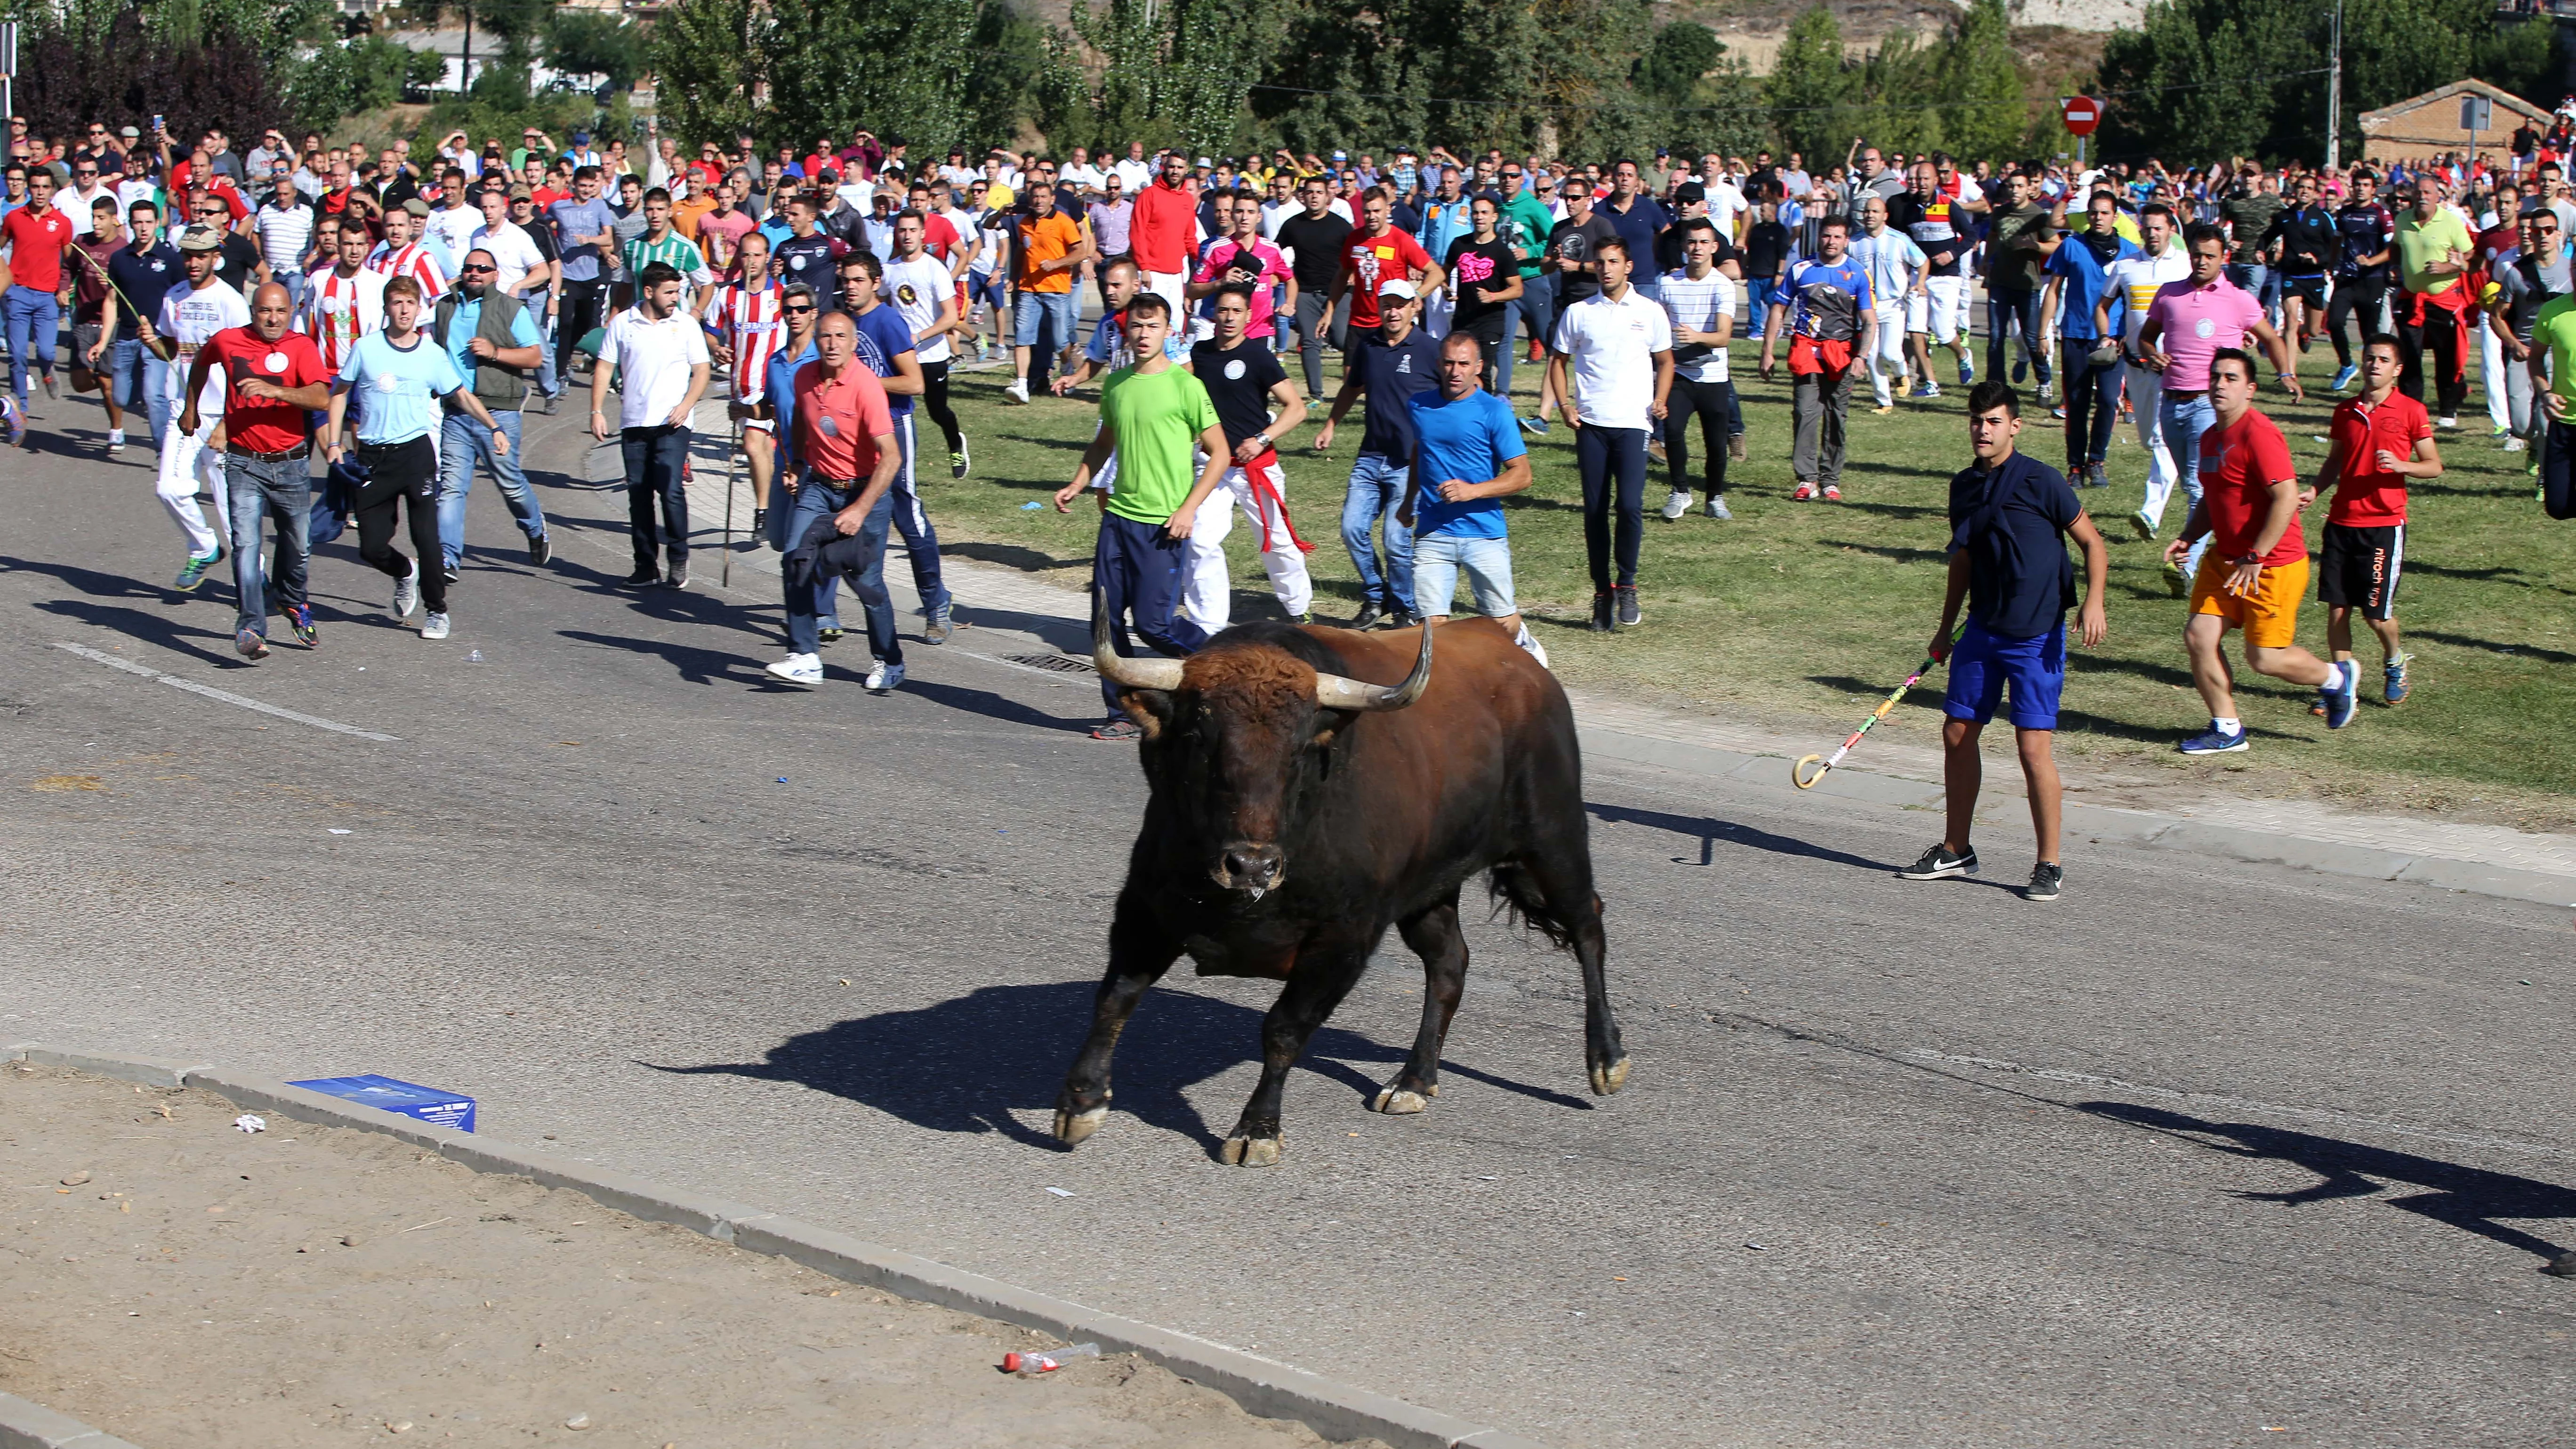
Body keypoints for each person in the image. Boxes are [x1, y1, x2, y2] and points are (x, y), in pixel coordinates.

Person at [1900, 379, 2109, 902]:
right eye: (1976, 421)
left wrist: (2095, 601)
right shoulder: (1963, 487)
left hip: (2036, 635)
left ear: (2015, 425)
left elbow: (2093, 544)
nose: (1983, 430)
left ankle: (2049, 863)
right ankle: (1956, 849)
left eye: (1993, 421)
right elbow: (1963, 561)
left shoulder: (2043, 481)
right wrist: (1945, 628)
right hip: (1982, 629)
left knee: (2032, 747)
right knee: (1956, 733)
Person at [2162, 349, 2362, 753]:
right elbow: (2214, 498)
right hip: (2227, 561)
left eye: (2232, 378)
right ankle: (2227, 728)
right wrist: (2189, 535)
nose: (2220, 384)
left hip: (2273, 564)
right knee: (2199, 636)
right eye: (2216, 376)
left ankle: (2337, 679)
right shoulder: (2211, 437)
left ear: (2250, 390)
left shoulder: (2259, 433)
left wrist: (2256, 556)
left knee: (2266, 659)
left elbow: (2285, 498)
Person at [1052, 291, 1230, 741]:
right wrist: (1079, 481)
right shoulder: (1117, 384)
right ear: (1125, 330)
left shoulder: (1186, 387)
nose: (1144, 334)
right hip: (1117, 518)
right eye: (1137, 326)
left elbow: (1221, 453)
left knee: (1156, 626)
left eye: (1153, 326)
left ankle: (1228, 666)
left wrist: (1189, 508)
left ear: (1169, 332)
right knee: (1104, 626)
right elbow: (1105, 442)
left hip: (1163, 526)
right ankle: (1123, 713)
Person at [325, 274, 513, 642]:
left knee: (427, 537)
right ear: (386, 308)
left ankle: (437, 611)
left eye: (410, 303)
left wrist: (494, 427)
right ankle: (403, 572)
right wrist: (334, 442)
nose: (404, 310)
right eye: (397, 303)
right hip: (374, 459)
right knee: (371, 546)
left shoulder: (432, 354)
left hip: (415, 455)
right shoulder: (366, 349)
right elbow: (339, 394)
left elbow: (460, 395)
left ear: (419, 309)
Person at [2133, 220, 2303, 591]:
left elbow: (2271, 338)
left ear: (2223, 258)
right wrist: (2153, 356)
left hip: (2209, 406)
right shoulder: (2169, 294)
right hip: (2171, 402)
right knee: (2199, 486)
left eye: (2209, 256)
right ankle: (2201, 552)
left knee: (2198, 486)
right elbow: (2146, 338)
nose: (2201, 262)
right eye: (2196, 255)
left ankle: (2186, 566)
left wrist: (2286, 372)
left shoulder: (2238, 299)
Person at [763, 308, 908, 692]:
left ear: (854, 343)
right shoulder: (805, 378)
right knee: (795, 559)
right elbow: (799, 424)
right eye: (826, 336)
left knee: (866, 582)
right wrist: (795, 462)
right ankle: (805, 656)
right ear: (816, 340)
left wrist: (860, 509)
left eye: (841, 336)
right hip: (820, 485)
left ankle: (889, 661)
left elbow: (892, 456)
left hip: (866, 491)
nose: (832, 344)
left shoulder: (866, 386)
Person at [184, 281, 330, 657]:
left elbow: (320, 397)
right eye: (266, 311)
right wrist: (191, 408)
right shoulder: (228, 340)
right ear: (254, 311)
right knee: (246, 545)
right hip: (243, 462)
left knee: (297, 546)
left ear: (290, 313)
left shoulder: (301, 346)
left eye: (281, 311)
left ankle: (294, 602)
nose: (274, 319)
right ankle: (251, 627)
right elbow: (201, 364)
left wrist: (275, 391)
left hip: (292, 464)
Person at [1549, 238, 1673, 630]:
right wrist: (1565, 405)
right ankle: (1602, 591)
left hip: (1634, 422)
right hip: (1592, 424)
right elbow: (1558, 361)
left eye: (1613, 262)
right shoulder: (1578, 312)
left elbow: (1666, 361)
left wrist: (1661, 399)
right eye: (1600, 263)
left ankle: (1628, 584)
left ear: (1628, 266)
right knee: (1595, 510)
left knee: (1632, 506)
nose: (1606, 269)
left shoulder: (1650, 312)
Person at [2312, 334, 2437, 708]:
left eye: (2383, 360)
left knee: (2376, 616)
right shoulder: (2346, 410)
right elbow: (2335, 460)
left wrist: (2403, 466)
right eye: (2369, 358)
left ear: (2397, 370)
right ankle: (2340, 684)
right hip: (2341, 522)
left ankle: (2394, 661)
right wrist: (2313, 492)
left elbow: (2434, 465)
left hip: (2384, 525)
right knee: (2337, 609)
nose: (2374, 365)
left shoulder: (2412, 411)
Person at [1407, 330, 1546, 664]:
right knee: (1431, 626)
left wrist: (1472, 491)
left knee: (1501, 623)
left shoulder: (1493, 412)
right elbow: (1420, 452)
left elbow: (1522, 475)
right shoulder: (1419, 406)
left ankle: (1523, 639)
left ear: (1478, 367)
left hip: (1484, 532)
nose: (1456, 371)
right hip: (1434, 531)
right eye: (1450, 363)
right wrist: (1405, 501)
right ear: (1440, 364)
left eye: (1464, 364)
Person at [835, 251, 951, 642]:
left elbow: (914, 383)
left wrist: (864, 386)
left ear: (875, 282)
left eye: (857, 280)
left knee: (908, 516)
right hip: (854, 430)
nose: (850, 287)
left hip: (894, 426)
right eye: (846, 280)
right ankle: (827, 610)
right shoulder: (843, 322)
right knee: (853, 513)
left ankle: (936, 604)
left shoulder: (888, 322)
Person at [1184, 281, 1314, 629]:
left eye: (1236, 311)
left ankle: (1299, 611)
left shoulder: (1258, 355)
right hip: (1215, 466)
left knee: (1278, 545)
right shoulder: (1200, 354)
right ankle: (1208, 625)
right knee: (1199, 540)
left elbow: (1297, 409)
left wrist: (1262, 438)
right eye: (1223, 310)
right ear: (1213, 314)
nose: (1228, 317)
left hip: (1257, 466)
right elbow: (1175, 389)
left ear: (1249, 315)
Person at [1318, 277, 1441, 629]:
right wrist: (1330, 424)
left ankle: (1405, 606)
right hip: (1371, 456)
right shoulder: (1369, 347)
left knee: (1395, 539)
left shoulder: (1430, 349)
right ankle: (1376, 596)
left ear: (1414, 307)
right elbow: (1352, 388)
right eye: (1386, 304)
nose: (1393, 311)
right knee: (1351, 529)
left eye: (1400, 304)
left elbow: (1460, 391)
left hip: (1409, 464)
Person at [430, 245, 550, 578]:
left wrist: (495, 352)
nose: (475, 273)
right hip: (457, 411)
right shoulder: (445, 308)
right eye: (470, 267)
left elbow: (535, 357)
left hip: (500, 411)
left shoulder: (510, 309)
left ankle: (534, 527)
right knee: (452, 487)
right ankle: (448, 558)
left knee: (509, 483)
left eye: (483, 268)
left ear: (495, 275)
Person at [590, 260, 712, 588]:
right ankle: (645, 565)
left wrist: (686, 406)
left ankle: (678, 556)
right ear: (648, 292)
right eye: (669, 292)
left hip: (674, 423)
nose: (676, 298)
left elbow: (702, 371)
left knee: (671, 489)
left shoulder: (686, 325)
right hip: (634, 423)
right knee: (639, 494)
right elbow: (604, 367)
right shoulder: (622, 323)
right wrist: (597, 410)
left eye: (679, 291)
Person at [145, 224, 250, 591]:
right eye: (188, 255)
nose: (193, 262)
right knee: (168, 488)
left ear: (215, 259)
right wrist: (152, 343)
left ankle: (258, 580)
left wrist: (229, 422)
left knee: (232, 512)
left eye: (201, 256)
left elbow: (245, 364)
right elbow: (172, 353)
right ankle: (204, 548)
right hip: (185, 410)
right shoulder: (173, 297)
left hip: (225, 416)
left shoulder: (231, 302)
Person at [1761, 215, 1872, 503]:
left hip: (1843, 354)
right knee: (1805, 412)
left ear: (1846, 240)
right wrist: (1768, 351)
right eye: (1826, 236)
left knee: (1837, 416)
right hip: (1806, 351)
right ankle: (1807, 480)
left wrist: (1862, 356)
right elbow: (1778, 310)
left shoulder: (1858, 274)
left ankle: (1831, 480)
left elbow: (1870, 321)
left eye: (1837, 237)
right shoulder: (1801, 270)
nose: (1831, 242)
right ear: (1819, 237)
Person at [2096, 203, 2190, 517]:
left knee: (2162, 439)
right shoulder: (2125, 267)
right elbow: (2102, 306)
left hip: (2172, 367)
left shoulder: (2186, 266)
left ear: (2171, 231)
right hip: (2136, 366)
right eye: (2147, 228)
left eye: (2159, 228)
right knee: (2150, 440)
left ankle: (2151, 512)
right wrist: (2107, 335)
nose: (2152, 234)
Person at [2042, 191, 2138, 487]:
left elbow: (2135, 297)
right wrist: (2043, 331)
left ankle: (2097, 461)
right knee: (2078, 404)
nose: (2098, 218)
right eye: (2094, 212)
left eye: (2105, 213)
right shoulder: (2071, 246)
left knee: (2109, 401)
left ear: (2115, 216)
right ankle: (2075, 467)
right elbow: (2054, 290)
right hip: (2075, 334)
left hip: (2112, 340)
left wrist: (2131, 336)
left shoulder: (2130, 251)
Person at [1656, 215, 1738, 522]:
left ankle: (1715, 498)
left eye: (1704, 242)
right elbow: (1659, 328)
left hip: (1714, 377)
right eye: (1692, 242)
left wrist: (1697, 337)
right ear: (1683, 246)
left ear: (1715, 247)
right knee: (1673, 432)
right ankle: (1679, 491)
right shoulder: (1667, 283)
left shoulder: (1723, 285)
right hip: (1679, 374)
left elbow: (1724, 336)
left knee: (1716, 444)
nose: (1697, 248)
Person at [881, 209, 969, 478]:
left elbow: (951, 317)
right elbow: (884, 305)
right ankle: (890, 463)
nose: (907, 236)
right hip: (900, 355)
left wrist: (919, 337)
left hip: (932, 355)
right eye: (902, 230)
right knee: (889, 412)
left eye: (912, 231)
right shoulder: (889, 270)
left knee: (937, 411)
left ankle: (956, 444)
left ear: (922, 234)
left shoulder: (935, 268)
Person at [2392, 174, 2475, 427]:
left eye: (2428, 192)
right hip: (2411, 298)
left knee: (2446, 357)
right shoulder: (2402, 220)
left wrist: (2446, 267)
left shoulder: (2451, 222)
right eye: (2419, 192)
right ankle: (2410, 409)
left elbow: (2469, 256)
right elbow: (2397, 245)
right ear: (2412, 195)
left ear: (2438, 196)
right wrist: (2396, 266)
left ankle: (2448, 411)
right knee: (2409, 355)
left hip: (2443, 300)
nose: (2423, 197)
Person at [1891, 161, 1975, 396]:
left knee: (1944, 333)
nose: (1921, 183)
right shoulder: (1909, 209)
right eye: (1918, 179)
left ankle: (1963, 354)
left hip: (1947, 277)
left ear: (1936, 180)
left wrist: (1951, 254)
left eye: (1926, 179)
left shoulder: (1948, 204)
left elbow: (1971, 236)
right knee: (1916, 331)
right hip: (1920, 277)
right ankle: (1931, 384)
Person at [1003, 181, 1091, 404]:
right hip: (1028, 289)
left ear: (1052, 199)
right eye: (1035, 197)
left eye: (1044, 196)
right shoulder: (1024, 223)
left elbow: (1080, 252)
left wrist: (1057, 263)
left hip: (1057, 289)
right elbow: (1021, 254)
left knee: (1060, 341)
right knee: (1023, 337)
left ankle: (1067, 369)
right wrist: (1013, 278)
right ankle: (1021, 385)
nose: (1039, 201)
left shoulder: (1063, 222)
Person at [1982, 171, 2062, 404]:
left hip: (2028, 285)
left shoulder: (2038, 216)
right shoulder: (2000, 212)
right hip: (2000, 282)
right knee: (1996, 337)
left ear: (2029, 189)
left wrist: (2032, 244)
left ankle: (2044, 381)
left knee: (2032, 337)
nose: (2015, 190)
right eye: (2011, 186)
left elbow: (2056, 246)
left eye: (2020, 186)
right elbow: (1993, 236)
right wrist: (1986, 261)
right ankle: (1995, 388)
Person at [0, 165, 72, 413]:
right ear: (29, 188)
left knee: (45, 351)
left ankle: (47, 371)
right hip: (18, 293)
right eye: (35, 187)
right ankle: (20, 409)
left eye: (45, 187)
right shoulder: (14, 218)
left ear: (52, 189)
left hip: (47, 297)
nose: (40, 192)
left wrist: (64, 289)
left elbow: (69, 263)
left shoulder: (62, 223)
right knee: (18, 354)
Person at [1275, 175, 1353, 401]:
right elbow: (1274, 251)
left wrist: (1354, 276)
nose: (1314, 197)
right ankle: (1316, 395)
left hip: (1338, 293)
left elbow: (1359, 254)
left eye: (1319, 192)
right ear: (1302, 196)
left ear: (1328, 196)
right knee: (1310, 341)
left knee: (1342, 339)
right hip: (1305, 292)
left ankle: (1353, 386)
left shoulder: (1341, 226)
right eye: (1310, 192)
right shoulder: (1293, 225)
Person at [1851, 194, 1926, 412]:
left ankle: (1901, 374)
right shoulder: (1854, 242)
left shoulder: (1899, 240)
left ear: (1885, 216)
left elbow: (1922, 261)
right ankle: (1884, 402)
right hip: (1867, 307)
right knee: (1871, 355)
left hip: (1893, 305)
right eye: (1867, 211)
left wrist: (1920, 282)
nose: (1870, 216)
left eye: (1875, 212)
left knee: (1891, 353)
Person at [1440, 194, 1523, 387]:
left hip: (1490, 321)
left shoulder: (1502, 252)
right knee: (1459, 370)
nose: (1479, 217)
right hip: (1463, 318)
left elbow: (1518, 290)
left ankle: (1487, 412)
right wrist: (1445, 288)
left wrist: (1494, 296)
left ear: (1494, 217)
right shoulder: (1459, 244)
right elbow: (1443, 272)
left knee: (1482, 370)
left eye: (1485, 213)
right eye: (1476, 213)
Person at [2326, 170, 2396, 391]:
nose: (2361, 188)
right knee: (2334, 322)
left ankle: (2375, 380)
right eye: (2357, 184)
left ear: (2373, 189)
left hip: (2372, 280)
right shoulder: (2344, 213)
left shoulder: (2381, 214)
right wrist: (2332, 264)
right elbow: (2338, 241)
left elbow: (2393, 249)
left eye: (2366, 185)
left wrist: (2372, 262)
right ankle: (2347, 364)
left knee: (2370, 336)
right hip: (2347, 279)